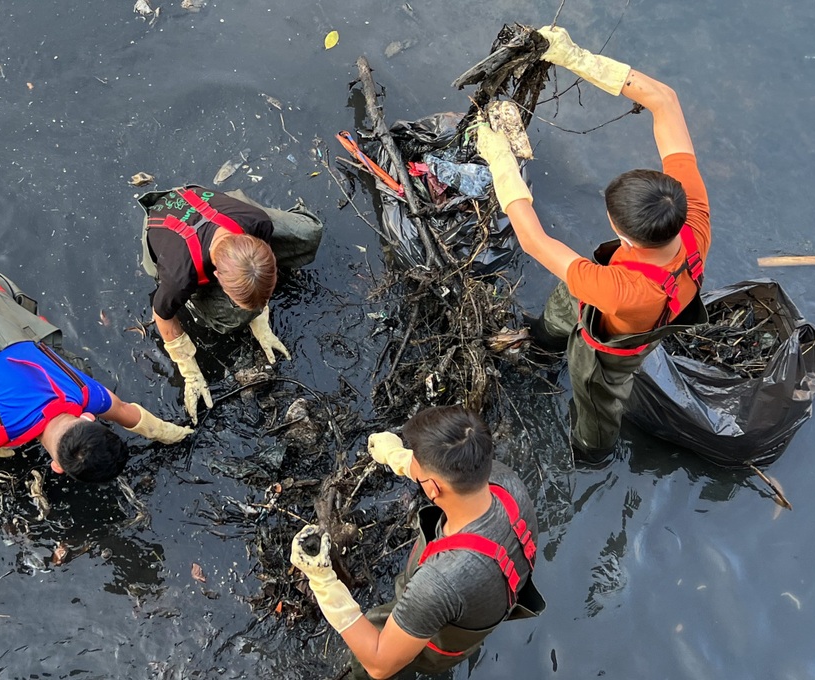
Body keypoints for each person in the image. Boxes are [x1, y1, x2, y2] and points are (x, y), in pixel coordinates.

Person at [475, 25, 711, 464]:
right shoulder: (693, 215)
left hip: (613, 348)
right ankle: (544, 343)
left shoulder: (616, 288)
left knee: (597, 397)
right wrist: (574, 56)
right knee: (567, 301)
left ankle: (592, 454)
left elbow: (532, 238)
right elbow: (665, 101)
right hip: (651, 296)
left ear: (622, 233)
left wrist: (498, 159)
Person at [290, 406, 544, 679]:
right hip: (479, 602)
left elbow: (380, 664)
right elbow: (451, 475)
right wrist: (397, 457)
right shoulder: (506, 483)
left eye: (417, 468)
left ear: (433, 488)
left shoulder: (438, 582)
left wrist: (324, 583)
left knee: (372, 667)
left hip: (435, 637)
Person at [0, 271, 192, 483]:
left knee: (69, 363)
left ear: (89, 419)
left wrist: (170, 432)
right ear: (57, 467)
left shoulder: (86, 394)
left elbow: (124, 411)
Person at [137, 185, 323, 423]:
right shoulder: (180, 277)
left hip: (216, 210)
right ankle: (197, 300)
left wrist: (260, 313)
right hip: (163, 229)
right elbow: (162, 315)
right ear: (218, 278)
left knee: (309, 233)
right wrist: (190, 371)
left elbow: (254, 273)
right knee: (232, 317)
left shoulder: (258, 222)